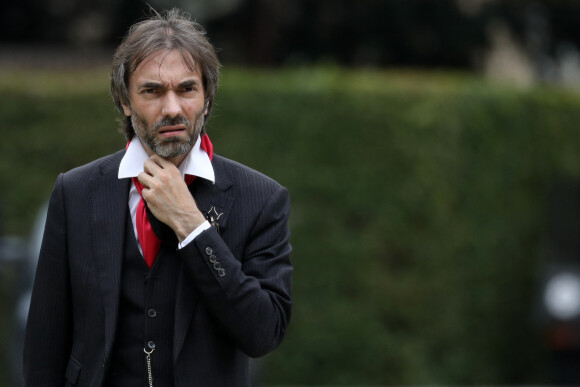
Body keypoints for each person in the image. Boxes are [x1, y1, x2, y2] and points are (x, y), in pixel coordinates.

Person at [23, 8, 292, 387]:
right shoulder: (76, 191)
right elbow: (44, 344)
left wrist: (191, 225)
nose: (172, 108)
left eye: (186, 89)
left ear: (207, 98)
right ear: (125, 101)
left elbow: (263, 333)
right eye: (152, 91)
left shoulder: (261, 198)